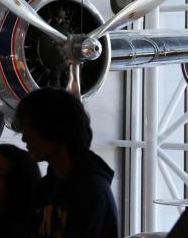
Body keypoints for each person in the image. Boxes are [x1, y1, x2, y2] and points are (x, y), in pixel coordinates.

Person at [14, 88, 119, 238]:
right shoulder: (44, 189)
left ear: (54, 127)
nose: (24, 138)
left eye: (31, 129)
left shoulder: (92, 194)